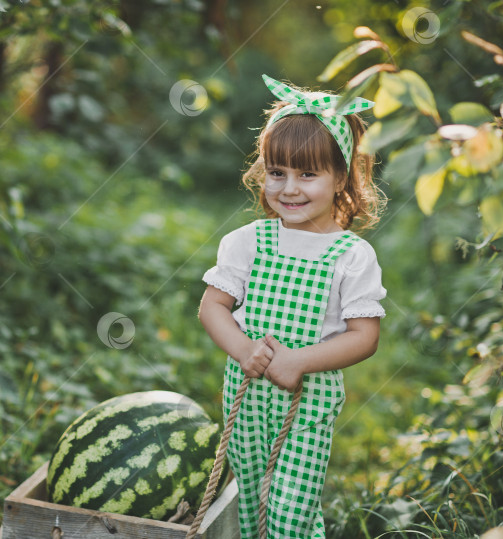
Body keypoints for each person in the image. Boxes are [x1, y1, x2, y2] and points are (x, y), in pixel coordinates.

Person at [197, 73, 387, 538]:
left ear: (340, 176)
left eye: (308, 174)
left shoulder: (350, 255)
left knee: (290, 508)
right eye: (277, 173)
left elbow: (365, 336)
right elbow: (212, 308)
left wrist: (298, 361)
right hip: (246, 394)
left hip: (308, 400)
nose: (289, 188)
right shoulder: (247, 242)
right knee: (252, 501)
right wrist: (243, 350)